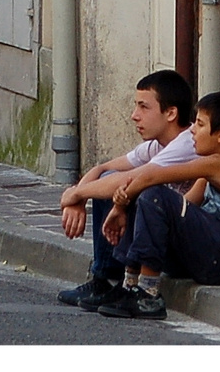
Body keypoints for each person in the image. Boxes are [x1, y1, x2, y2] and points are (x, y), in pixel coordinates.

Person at [91, 91, 220, 320]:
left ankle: (148, 293)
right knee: (150, 201)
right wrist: (136, 208)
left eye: (199, 124)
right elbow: (184, 207)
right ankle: (129, 285)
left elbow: (153, 177)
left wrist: (119, 206)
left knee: (154, 194)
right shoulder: (211, 170)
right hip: (214, 255)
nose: (191, 131)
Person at [54, 70, 200, 310]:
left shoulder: (186, 145)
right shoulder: (156, 145)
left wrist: (78, 193)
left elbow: (133, 178)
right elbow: (104, 168)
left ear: (171, 113)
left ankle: (115, 280)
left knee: (122, 186)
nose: (134, 116)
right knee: (110, 180)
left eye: (144, 107)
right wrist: (78, 197)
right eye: (135, 106)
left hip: (183, 244)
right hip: (162, 238)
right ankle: (105, 279)